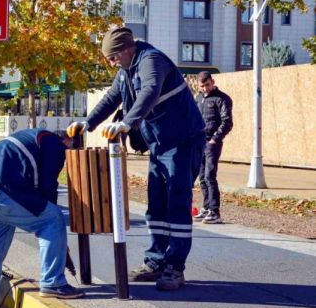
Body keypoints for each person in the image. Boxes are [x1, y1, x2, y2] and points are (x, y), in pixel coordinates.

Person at [68, 27, 205, 291]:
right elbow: (111, 97)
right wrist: (89, 123)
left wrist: (128, 123)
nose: (111, 63)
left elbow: (150, 90)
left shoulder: (151, 60)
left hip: (183, 141)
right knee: (156, 204)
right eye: (109, 58)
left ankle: (175, 268)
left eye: (114, 57)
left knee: (177, 203)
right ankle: (155, 262)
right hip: (160, 144)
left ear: (128, 49)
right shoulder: (126, 70)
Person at [0, 128, 84, 308]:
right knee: (53, 219)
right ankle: (53, 282)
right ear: (66, 140)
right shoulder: (53, 142)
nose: (69, 153)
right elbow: (48, 185)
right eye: (72, 147)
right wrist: (53, 226)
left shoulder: (33, 137)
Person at [193, 71, 233, 224]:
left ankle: (215, 212)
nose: (205, 89)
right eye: (202, 86)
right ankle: (206, 208)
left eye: (207, 85)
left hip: (212, 143)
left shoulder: (222, 99)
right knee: (202, 177)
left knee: (210, 176)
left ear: (213, 81)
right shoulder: (198, 99)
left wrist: (215, 139)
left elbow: (227, 121)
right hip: (199, 142)